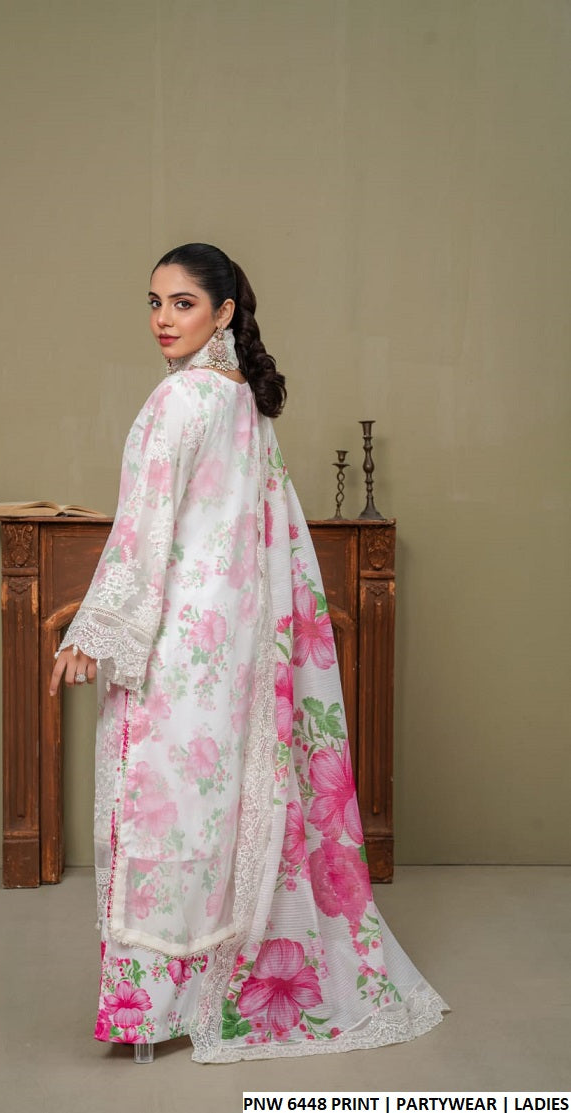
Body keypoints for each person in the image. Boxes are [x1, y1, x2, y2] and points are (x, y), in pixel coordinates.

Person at [49, 243, 448, 1064]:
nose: (163, 319)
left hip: (175, 647)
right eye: (154, 302)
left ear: (223, 312)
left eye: (183, 303)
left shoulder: (180, 400)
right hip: (235, 648)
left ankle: (150, 1011)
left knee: (157, 812)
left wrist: (95, 630)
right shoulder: (245, 404)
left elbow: (145, 524)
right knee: (217, 815)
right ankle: (211, 993)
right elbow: (268, 538)